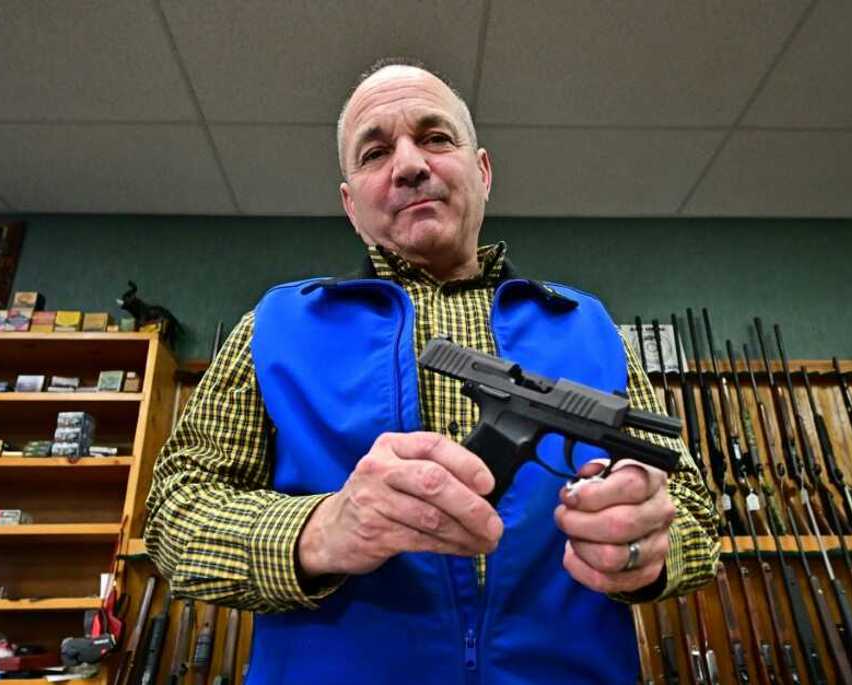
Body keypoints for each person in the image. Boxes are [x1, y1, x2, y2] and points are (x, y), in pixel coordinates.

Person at [144, 58, 719, 684]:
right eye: (374, 152)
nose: (410, 164)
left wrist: (651, 548)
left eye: (435, 138)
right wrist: (320, 530)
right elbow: (175, 513)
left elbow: (693, 511)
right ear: (350, 204)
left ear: (483, 170)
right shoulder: (273, 326)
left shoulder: (589, 325)